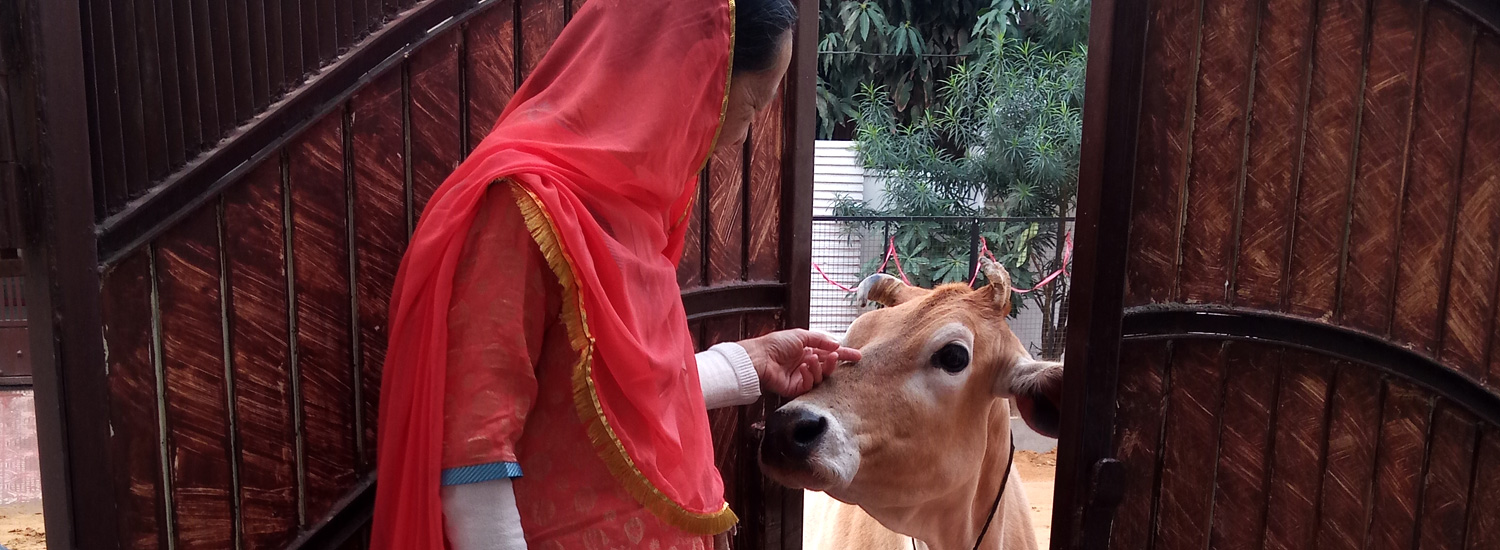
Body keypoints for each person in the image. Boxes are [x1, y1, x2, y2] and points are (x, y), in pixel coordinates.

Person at [369, 0, 862, 548]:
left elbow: (622, 388)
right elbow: (472, 459)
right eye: (749, 108)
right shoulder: (522, 210)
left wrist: (751, 361)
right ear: (688, 80)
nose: (742, 138)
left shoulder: (633, 213)